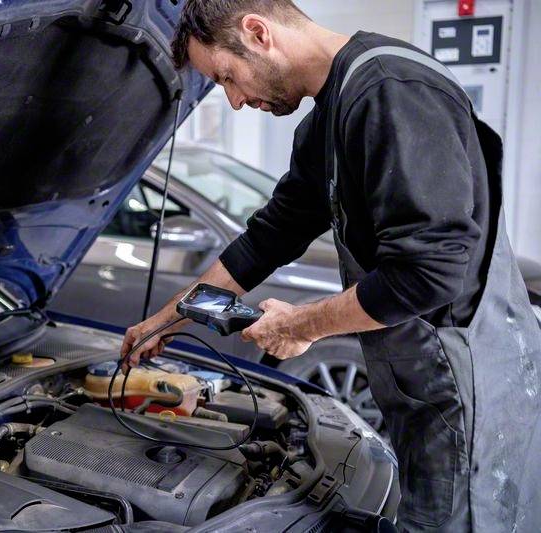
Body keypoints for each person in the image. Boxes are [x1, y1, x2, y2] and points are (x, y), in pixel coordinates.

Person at [121, 1, 541, 531]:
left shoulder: (392, 91)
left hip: (467, 394)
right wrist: (171, 317)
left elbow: (430, 271)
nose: (233, 99)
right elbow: (273, 234)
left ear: (257, 32)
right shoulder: (335, 111)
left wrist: (302, 326)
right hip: (423, 388)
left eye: (227, 77)